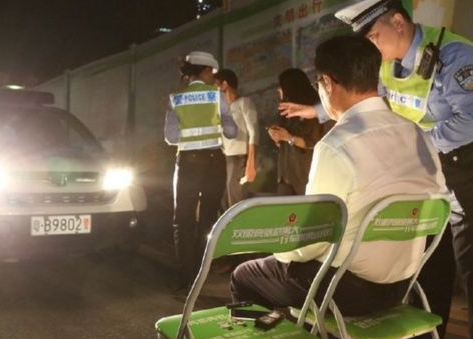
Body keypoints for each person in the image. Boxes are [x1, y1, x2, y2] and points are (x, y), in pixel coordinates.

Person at [279, 0, 473, 339]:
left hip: (471, 167)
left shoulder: (454, 55)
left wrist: (416, 142)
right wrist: (317, 110)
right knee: (429, 268)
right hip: (428, 171)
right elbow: (367, 96)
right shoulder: (389, 66)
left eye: (373, 35)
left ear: (398, 22)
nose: (371, 47)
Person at [231, 35, 448, 317]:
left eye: (318, 84)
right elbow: (439, 203)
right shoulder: (416, 133)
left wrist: (280, 252)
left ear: (328, 84)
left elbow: (313, 240)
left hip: (346, 289)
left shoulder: (336, 145)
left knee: (245, 275)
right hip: (403, 285)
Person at [164, 51, 237, 292]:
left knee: (182, 221)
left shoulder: (175, 98)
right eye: (211, 73)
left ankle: (184, 278)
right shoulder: (217, 96)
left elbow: (170, 137)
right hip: (214, 163)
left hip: (187, 163)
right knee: (208, 218)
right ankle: (201, 274)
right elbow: (231, 132)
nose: (212, 77)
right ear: (205, 71)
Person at [267, 68, 324, 196]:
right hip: (285, 175)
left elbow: (313, 142)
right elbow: (283, 142)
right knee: (283, 213)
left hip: (303, 175)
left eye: (281, 86)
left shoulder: (312, 111)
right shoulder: (285, 110)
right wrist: (277, 137)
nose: (278, 90)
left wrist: (289, 137)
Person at [214, 69, 259, 208]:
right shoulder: (220, 109)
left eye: (216, 85)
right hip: (224, 159)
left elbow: (254, 133)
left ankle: (241, 229)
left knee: (236, 202)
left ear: (224, 84)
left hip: (240, 158)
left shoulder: (244, 102)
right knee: (223, 202)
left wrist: (250, 164)